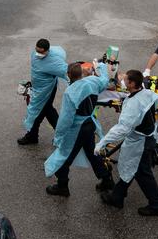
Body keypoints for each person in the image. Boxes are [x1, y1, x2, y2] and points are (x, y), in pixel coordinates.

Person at [94, 69, 158, 217]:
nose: (123, 82)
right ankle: (117, 197)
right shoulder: (144, 93)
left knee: (142, 173)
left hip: (140, 143)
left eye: (126, 80)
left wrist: (102, 143)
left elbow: (122, 129)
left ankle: (157, 206)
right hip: (147, 137)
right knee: (133, 169)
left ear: (132, 83)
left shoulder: (134, 104)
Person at [43, 61, 114, 197]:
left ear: (69, 75)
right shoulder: (92, 81)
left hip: (77, 129)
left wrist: (58, 137)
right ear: (82, 73)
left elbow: (65, 119)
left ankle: (62, 186)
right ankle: (106, 180)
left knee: (63, 156)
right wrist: (101, 66)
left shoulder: (70, 92)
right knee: (92, 154)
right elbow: (104, 80)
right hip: (89, 124)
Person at [18, 39, 67, 145]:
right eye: (37, 50)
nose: (38, 54)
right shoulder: (35, 54)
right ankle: (61, 136)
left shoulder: (54, 62)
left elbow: (67, 72)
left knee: (39, 112)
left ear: (47, 51)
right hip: (37, 89)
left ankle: (34, 136)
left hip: (47, 91)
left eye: (41, 52)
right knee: (45, 111)